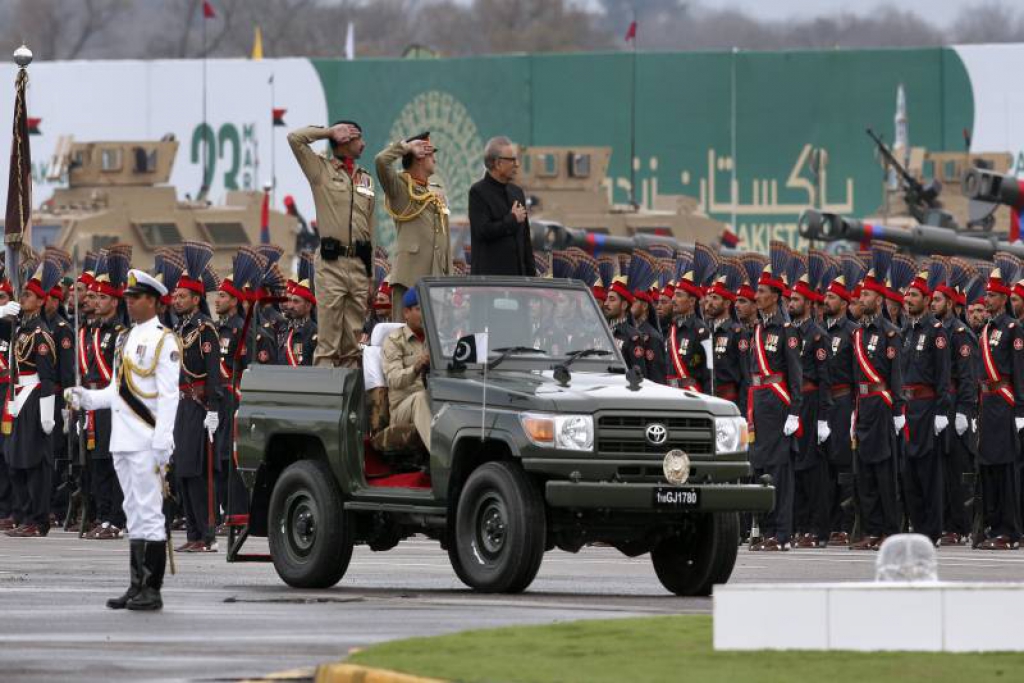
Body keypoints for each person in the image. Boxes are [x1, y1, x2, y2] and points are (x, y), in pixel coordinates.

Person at [68, 269, 180, 610]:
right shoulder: (124, 338)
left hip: (147, 440)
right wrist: (87, 398)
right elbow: (119, 392)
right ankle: (135, 584)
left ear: (152, 301)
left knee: (149, 512)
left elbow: (168, 395)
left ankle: (152, 588)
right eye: (127, 298)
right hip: (122, 439)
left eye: (135, 298)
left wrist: (163, 440)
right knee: (133, 512)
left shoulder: (165, 340)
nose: (128, 303)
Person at [288, 120, 375, 368]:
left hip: (359, 266)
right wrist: (328, 132)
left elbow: (370, 230)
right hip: (331, 265)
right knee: (328, 346)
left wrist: (370, 275)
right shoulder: (320, 171)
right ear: (344, 139)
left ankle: (351, 406)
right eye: (358, 137)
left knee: (352, 347)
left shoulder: (366, 180)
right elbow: (295, 138)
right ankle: (326, 405)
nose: (363, 144)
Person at [849, 247, 905, 551]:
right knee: (866, 474)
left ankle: (889, 531)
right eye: (860, 295)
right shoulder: (857, 334)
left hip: (883, 407)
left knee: (884, 474)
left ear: (879, 300)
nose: (861, 299)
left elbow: (896, 375)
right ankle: (870, 530)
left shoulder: (891, 334)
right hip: (863, 407)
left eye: (867, 296)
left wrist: (899, 410)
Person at [746, 255, 802, 552]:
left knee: (780, 473)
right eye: (757, 292)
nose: (757, 296)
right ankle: (765, 530)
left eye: (763, 292)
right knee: (760, 470)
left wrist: (794, 412)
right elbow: (750, 376)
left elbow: (796, 376)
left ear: (776, 296)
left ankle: (781, 534)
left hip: (779, 408)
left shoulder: (786, 331)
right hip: (759, 406)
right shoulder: (756, 330)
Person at [171, 242, 222, 553]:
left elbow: (214, 373)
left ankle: (205, 535)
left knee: (199, 473)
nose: (176, 300)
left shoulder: (205, 330)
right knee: (184, 470)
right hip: (182, 405)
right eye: (175, 296)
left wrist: (213, 409)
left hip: (200, 406)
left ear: (196, 298)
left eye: (182, 296)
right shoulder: (180, 328)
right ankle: (192, 533)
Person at [2, 259, 55, 538]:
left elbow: (47, 378)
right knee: (14, 460)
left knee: (34, 462)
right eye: (22, 294)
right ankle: (23, 515)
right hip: (17, 396)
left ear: (41, 301)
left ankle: (37, 518)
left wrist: (48, 412)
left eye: (28, 295)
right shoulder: (20, 329)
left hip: (34, 397)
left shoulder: (40, 335)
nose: (22, 299)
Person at [81, 246, 131, 539]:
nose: (96, 302)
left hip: (116, 404)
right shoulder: (94, 332)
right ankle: (102, 516)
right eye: (95, 297)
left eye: (102, 297)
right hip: (95, 403)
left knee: (115, 461)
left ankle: (116, 519)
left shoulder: (122, 333)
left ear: (115, 301)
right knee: (98, 460)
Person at [900, 269, 951, 546]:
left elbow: (943, 374)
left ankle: (932, 531)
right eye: (908, 295)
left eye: (915, 295)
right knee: (909, 473)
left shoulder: (936, 331)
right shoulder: (906, 330)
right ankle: (917, 527)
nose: (908, 300)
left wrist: (943, 410)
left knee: (929, 472)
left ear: (927, 299)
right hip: (908, 409)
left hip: (928, 407)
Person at [376, 132, 451, 321]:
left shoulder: (436, 191)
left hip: (436, 280)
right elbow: (381, 161)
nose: (434, 158)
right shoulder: (400, 188)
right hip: (409, 278)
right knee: (405, 339)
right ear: (419, 156)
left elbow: (445, 239)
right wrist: (406, 148)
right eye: (430, 153)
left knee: (433, 344)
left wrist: (448, 278)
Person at [975, 265, 1024, 549]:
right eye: (987, 295)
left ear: (1004, 299)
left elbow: (1019, 372)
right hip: (986, 405)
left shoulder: (1012, 328)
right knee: (989, 468)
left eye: (993, 296)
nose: (987, 300)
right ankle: (994, 527)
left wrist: (1020, 412)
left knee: (1006, 469)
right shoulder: (986, 330)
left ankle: (1009, 530)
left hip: (1005, 405)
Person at [932, 262, 978, 546]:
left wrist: (964, 411)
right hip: (941, 405)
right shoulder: (937, 329)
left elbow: (968, 377)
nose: (933, 303)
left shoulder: (960, 333)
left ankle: (960, 526)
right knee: (942, 468)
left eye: (937, 299)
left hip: (956, 405)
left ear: (950, 302)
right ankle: (946, 522)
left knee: (958, 469)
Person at [789, 268, 833, 549]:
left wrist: (824, 419)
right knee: (797, 467)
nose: (790, 304)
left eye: (795, 300)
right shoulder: (789, 333)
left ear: (808, 304)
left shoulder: (818, 337)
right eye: (790, 299)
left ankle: (818, 529)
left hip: (813, 404)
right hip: (795, 404)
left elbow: (826, 379)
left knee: (814, 469)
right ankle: (801, 525)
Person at [822, 257, 862, 545]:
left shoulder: (852, 332)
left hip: (845, 401)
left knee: (844, 464)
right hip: (824, 403)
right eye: (825, 295)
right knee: (824, 465)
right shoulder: (821, 330)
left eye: (832, 296)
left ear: (845, 303)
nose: (826, 300)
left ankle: (846, 524)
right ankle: (829, 522)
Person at [468, 136, 535, 277]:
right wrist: (511, 220)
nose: (517, 164)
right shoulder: (478, 193)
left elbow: (525, 242)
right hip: (491, 283)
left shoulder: (517, 192)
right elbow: (483, 231)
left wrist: (532, 280)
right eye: (512, 159)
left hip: (518, 282)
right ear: (498, 164)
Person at [381, 288, 432, 450]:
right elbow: (394, 379)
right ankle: (441, 457)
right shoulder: (394, 341)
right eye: (419, 309)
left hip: (432, 400)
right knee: (420, 398)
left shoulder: (434, 340)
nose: (424, 314)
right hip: (402, 409)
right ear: (406, 313)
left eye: (426, 308)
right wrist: (416, 367)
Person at [706, 259, 749, 412]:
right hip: (707, 399)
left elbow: (745, 377)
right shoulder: (706, 331)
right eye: (709, 297)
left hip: (729, 402)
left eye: (715, 298)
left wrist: (742, 411)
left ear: (726, 304)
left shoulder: (737, 332)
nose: (709, 302)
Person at [281, 253, 318, 366]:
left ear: (308, 306)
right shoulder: (287, 330)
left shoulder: (314, 333)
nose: (290, 306)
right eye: (291, 300)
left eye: (296, 302)